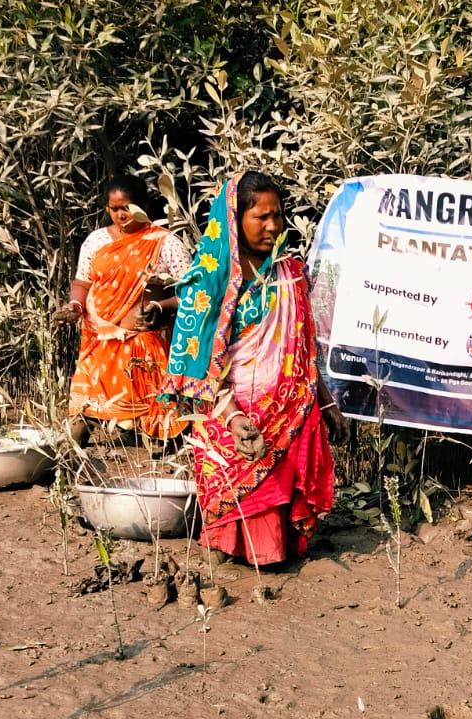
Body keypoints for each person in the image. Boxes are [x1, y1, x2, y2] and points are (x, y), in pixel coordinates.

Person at [160, 171, 347, 566]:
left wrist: (328, 404)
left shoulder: (291, 275)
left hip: (286, 411)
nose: (272, 226)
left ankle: (271, 554)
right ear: (234, 219)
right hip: (229, 411)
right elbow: (197, 368)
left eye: (277, 215)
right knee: (227, 536)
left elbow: (305, 349)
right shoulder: (209, 283)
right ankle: (223, 550)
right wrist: (231, 417)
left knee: (274, 544)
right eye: (260, 217)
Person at [56, 176, 191, 445]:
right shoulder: (96, 241)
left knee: (161, 424)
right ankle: (68, 462)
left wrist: (159, 308)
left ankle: (161, 444)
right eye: (114, 209)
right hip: (99, 340)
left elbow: (191, 292)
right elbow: (83, 281)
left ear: (143, 206)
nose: (121, 215)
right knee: (84, 415)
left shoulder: (165, 242)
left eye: (127, 207)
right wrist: (74, 306)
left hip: (147, 340)